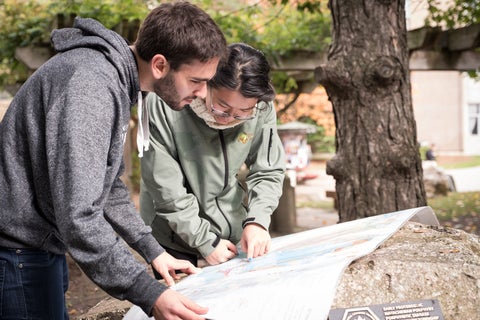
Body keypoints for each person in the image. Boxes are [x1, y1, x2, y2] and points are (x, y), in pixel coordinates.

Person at [0, 2, 227, 320]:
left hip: (38, 246)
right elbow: (80, 217)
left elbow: (107, 186)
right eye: (197, 81)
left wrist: (152, 249)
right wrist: (149, 293)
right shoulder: (92, 88)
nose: (203, 94)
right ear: (160, 65)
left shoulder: (114, 79)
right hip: (17, 252)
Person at [139, 43, 286, 270]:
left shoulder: (261, 108)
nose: (229, 119)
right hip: (172, 232)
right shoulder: (164, 104)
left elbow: (268, 170)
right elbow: (166, 190)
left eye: (243, 112)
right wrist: (206, 241)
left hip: (232, 226)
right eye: (222, 108)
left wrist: (257, 221)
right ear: (207, 83)